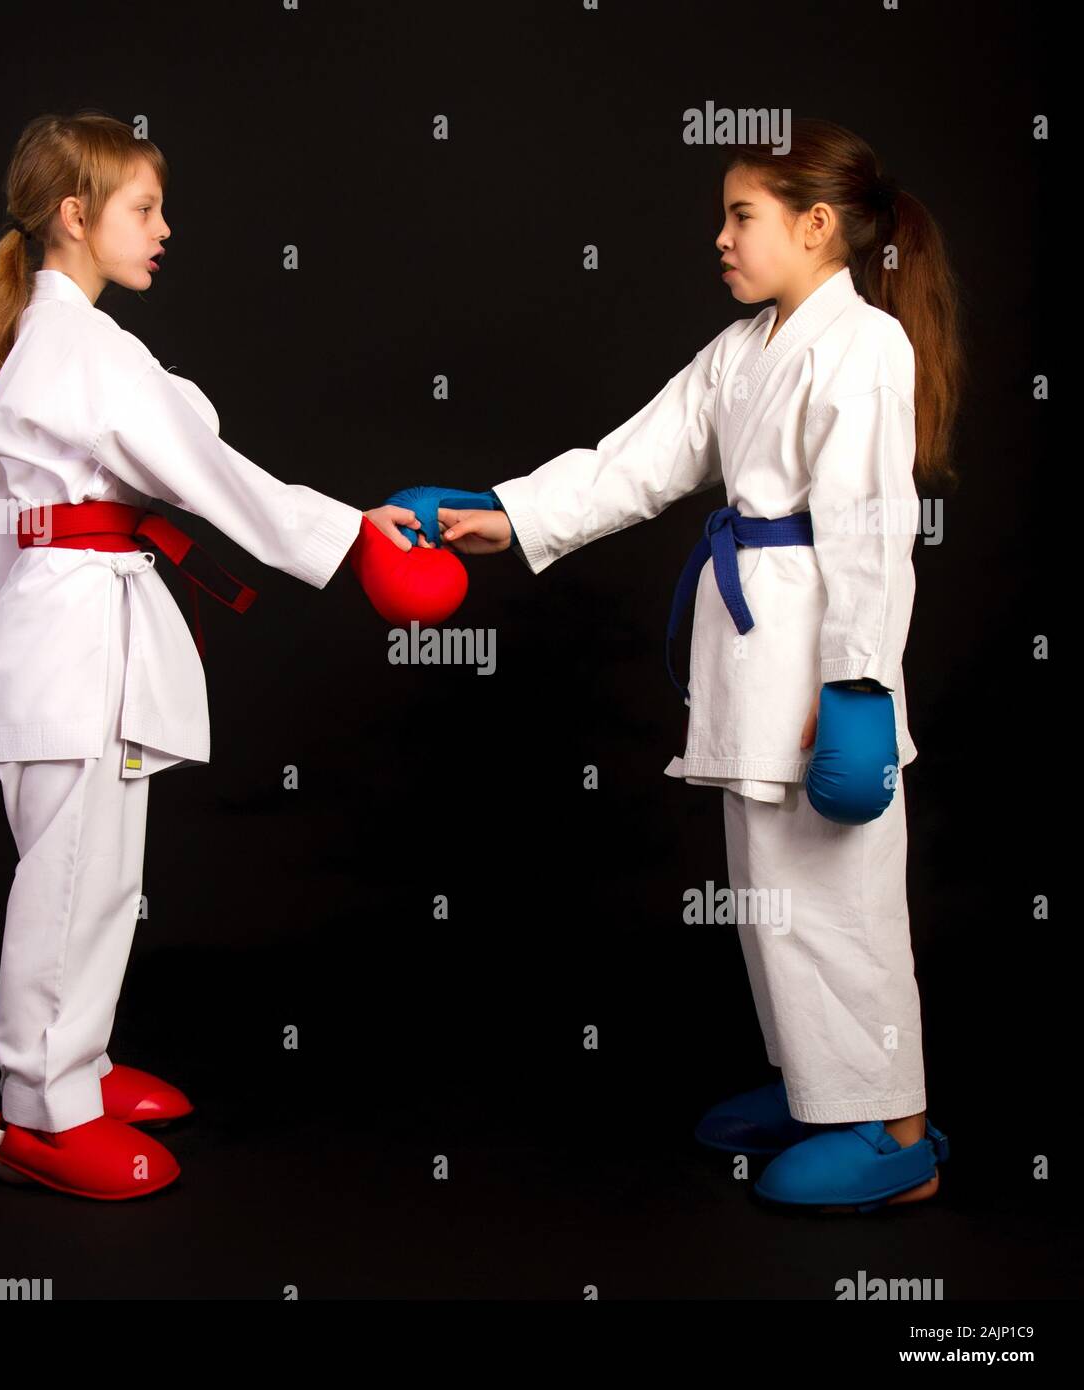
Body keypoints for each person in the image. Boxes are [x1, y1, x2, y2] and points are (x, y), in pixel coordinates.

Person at [391, 118, 963, 1214]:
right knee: (770, 894)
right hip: (753, 653)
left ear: (816, 224)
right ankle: (819, 1086)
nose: (721, 236)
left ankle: (896, 1134)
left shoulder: (866, 348)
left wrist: (857, 684)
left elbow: (869, 530)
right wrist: (500, 514)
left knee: (838, 899)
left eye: (740, 215)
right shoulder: (743, 348)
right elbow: (632, 462)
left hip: (817, 658)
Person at [0, 110, 423, 1200]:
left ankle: (77, 1067)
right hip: (70, 648)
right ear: (77, 216)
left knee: (106, 878)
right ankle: (37, 1112)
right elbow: (198, 466)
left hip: (80, 637)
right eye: (143, 208)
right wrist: (350, 531)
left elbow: (176, 432)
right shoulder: (73, 345)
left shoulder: (79, 341)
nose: (165, 229)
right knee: (68, 882)